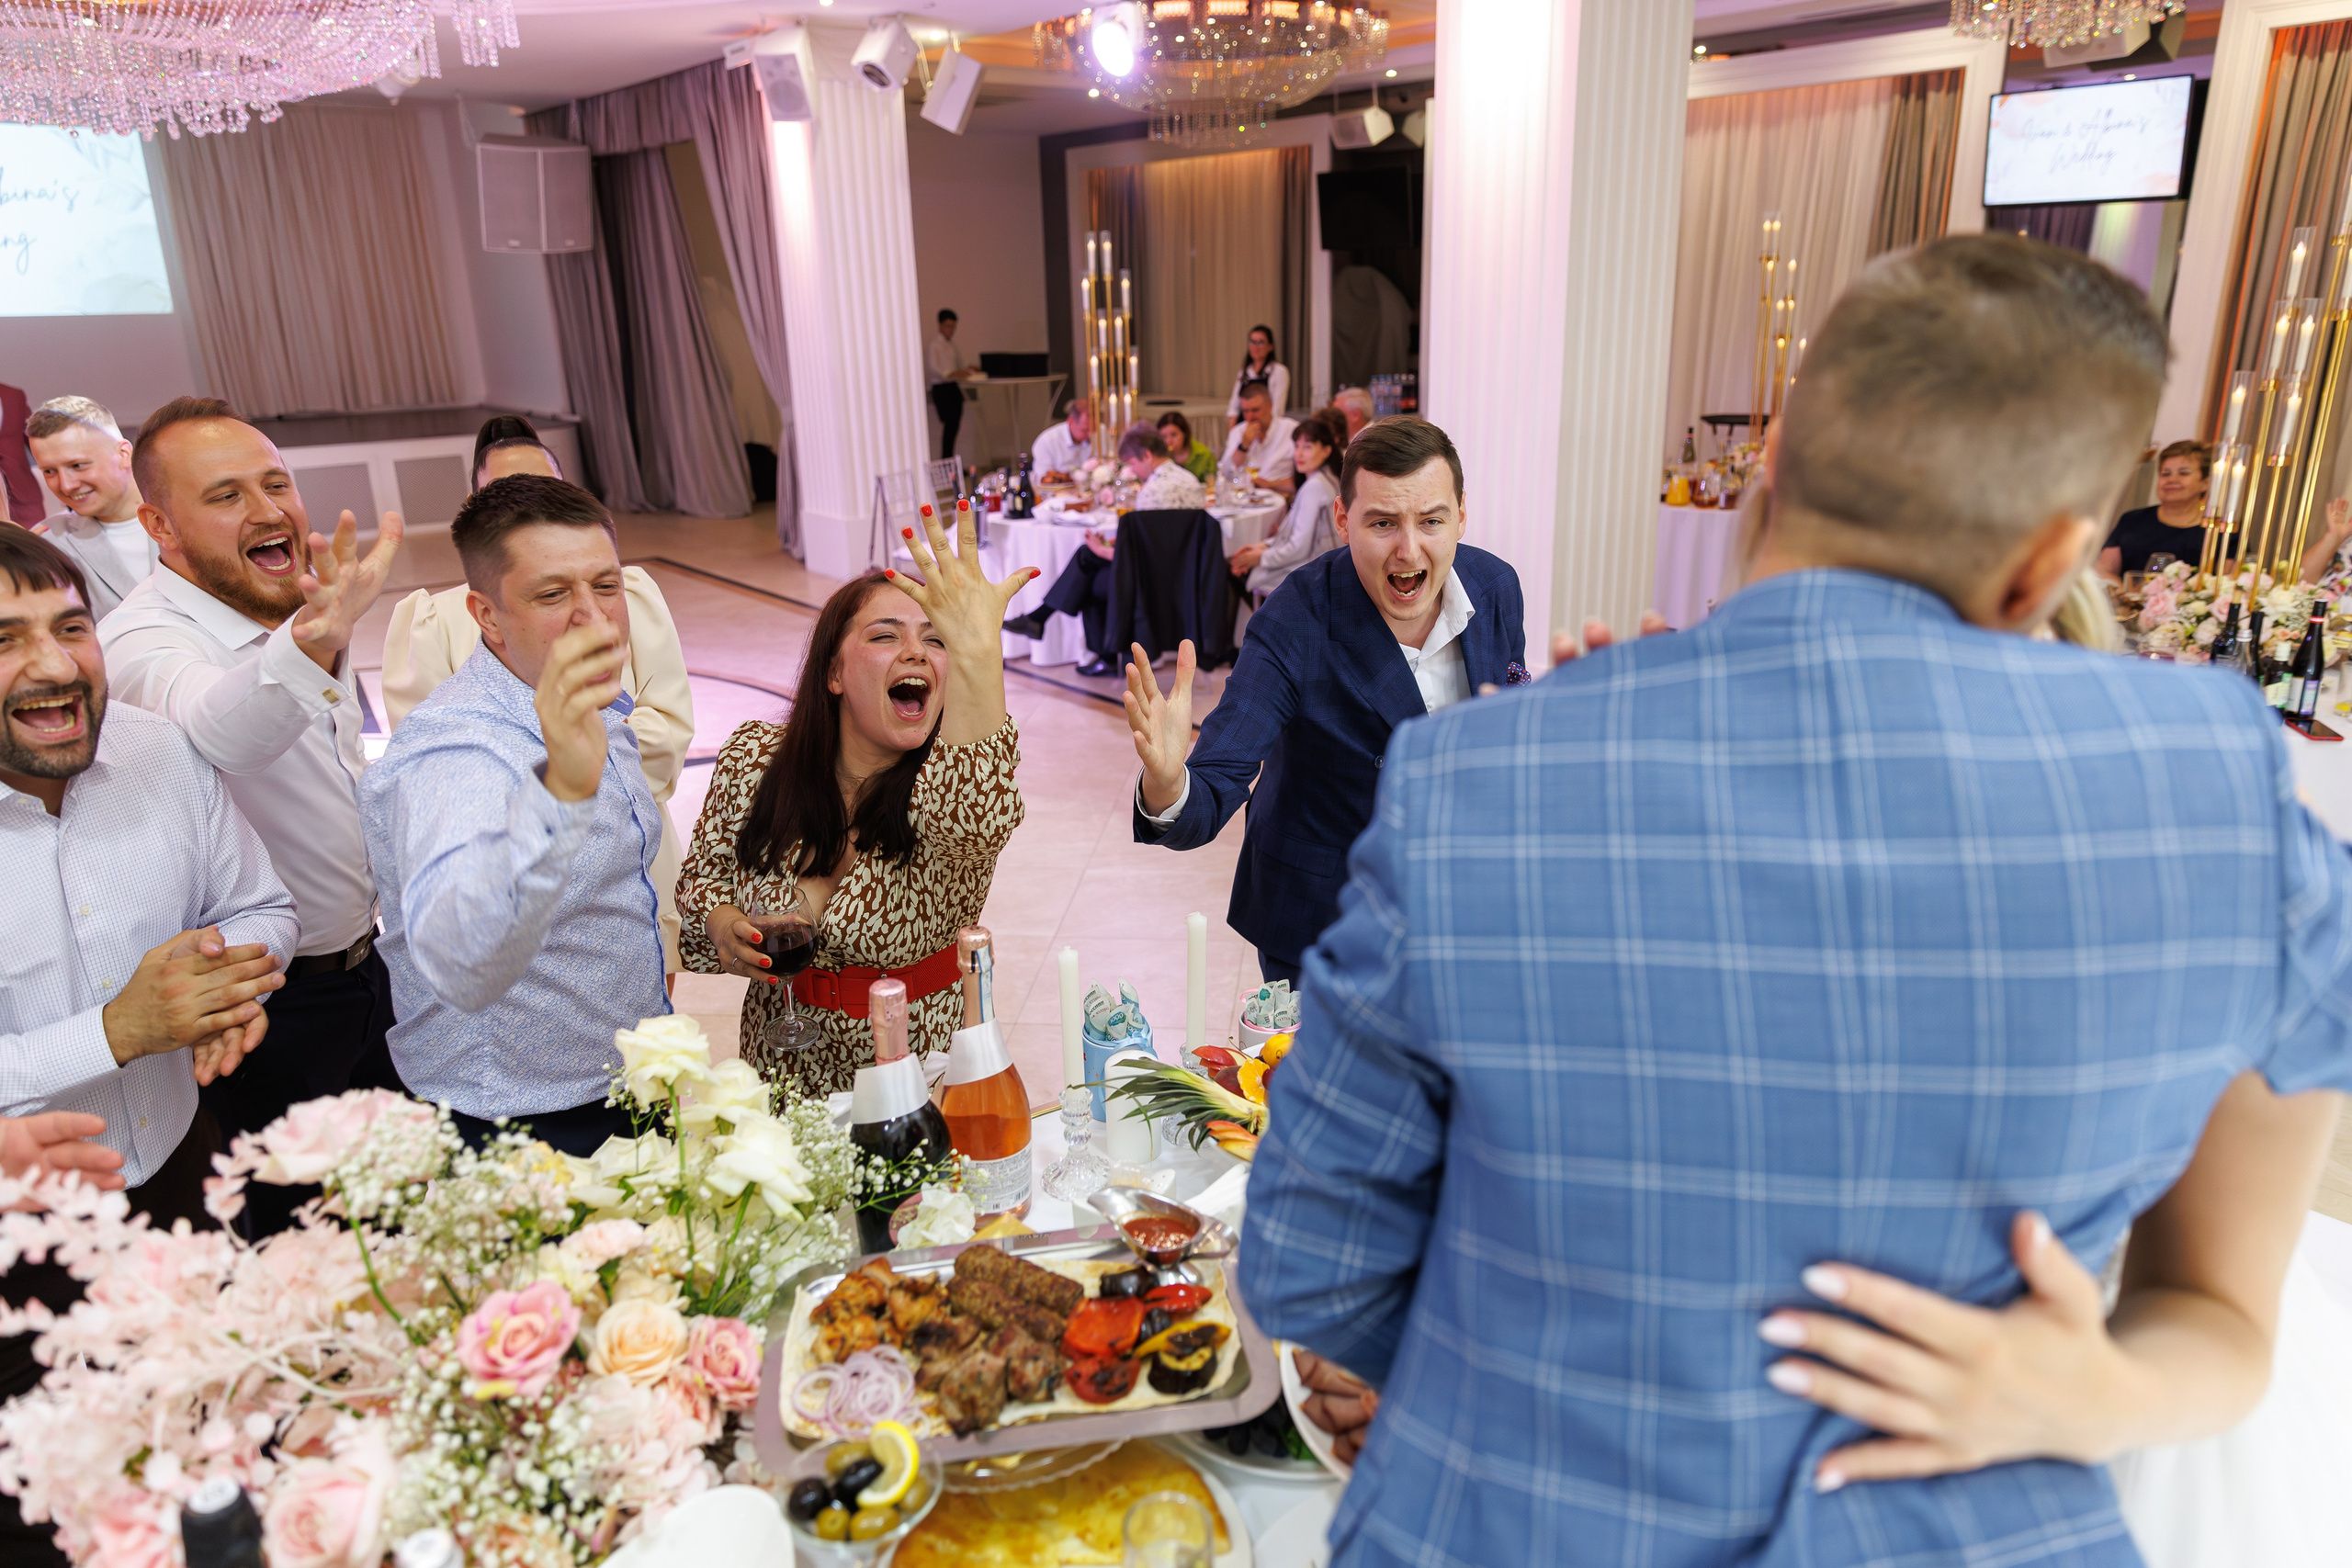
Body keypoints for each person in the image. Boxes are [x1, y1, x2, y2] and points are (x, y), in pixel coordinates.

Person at [1240, 234, 2352, 1568]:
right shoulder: (2221, 783)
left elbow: (1310, 1261)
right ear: (2050, 559)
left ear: (1769, 465)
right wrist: (2105, 1391)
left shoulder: (1481, 772)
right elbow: (2223, 1313)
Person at [0, 526, 296, 1563]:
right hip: (15, 1252)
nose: (52, 664)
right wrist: (119, 1032)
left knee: (226, 1452)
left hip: (180, 1176)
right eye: (5, 639)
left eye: (71, 627)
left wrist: (229, 984)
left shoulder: (158, 753)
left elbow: (261, 903)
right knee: (58, 1520)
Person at [98, 397, 404, 1236]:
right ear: (159, 524)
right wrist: (315, 639)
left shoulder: (282, 608)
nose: (269, 510)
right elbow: (215, 730)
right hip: (263, 1013)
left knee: (395, 1213)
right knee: (299, 1243)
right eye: (227, 495)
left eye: (277, 483)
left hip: (363, 975)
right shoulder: (138, 642)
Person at [1124, 416, 1526, 986]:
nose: (1408, 551)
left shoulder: (1495, 586)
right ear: (1342, 521)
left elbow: (1504, 727)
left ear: (1462, 513)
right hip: (1325, 923)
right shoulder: (1293, 620)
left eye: (1431, 521)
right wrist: (1167, 784)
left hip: (1462, 911)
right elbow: (1214, 785)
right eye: (1382, 522)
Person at [359, 476, 669, 1156]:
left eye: (606, 585)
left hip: (623, 1085)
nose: (596, 617)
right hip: (519, 1123)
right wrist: (558, 790)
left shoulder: (579, 699)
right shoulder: (454, 754)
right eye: (554, 594)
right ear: (488, 615)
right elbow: (464, 966)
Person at [676, 503, 1029, 1097]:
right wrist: (720, 921)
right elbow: (699, 887)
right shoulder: (755, 759)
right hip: (780, 1071)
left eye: (935, 639)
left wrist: (978, 652)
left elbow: (980, 813)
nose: (915, 652)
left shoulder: (945, 787)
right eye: (885, 635)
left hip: (915, 1078)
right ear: (834, 672)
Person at [379, 418, 695, 973]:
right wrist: (587, 744)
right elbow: (451, 782)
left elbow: (667, 738)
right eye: (502, 495)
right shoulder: (433, 621)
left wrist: (548, 754)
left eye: (548, 490)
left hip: (637, 859)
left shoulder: (630, 594)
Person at [1005, 424, 1208, 677]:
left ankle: (1099, 652)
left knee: (1087, 577)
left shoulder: (1152, 492)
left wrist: (1102, 551)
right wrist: (1103, 548)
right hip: (1184, 572)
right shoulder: (1189, 480)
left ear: (1146, 455)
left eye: (1133, 463)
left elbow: (1142, 559)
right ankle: (1040, 620)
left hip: (1152, 580)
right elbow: (1159, 545)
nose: (1133, 471)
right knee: (1086, 556)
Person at [24, 396, 157, 620]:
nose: (66, 485)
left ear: (123, 454)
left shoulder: (189, 516)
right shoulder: (46, 542)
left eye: (77, 465)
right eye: (49, 471)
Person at [1231, 409, 1343, 602]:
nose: (1299, 454)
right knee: (1240, 564)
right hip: (1321, 562)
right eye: (1297, 446)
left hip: (1311, 569)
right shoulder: (1327, 478)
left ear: (1326, 450)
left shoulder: (1315, 487)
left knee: (1231, 570)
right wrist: (1260, 547)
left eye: (1307, 447)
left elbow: (1299, 548)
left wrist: (1260, 557)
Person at [2098, 439, 2217, 577]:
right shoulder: (2132, 520)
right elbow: (2105, 571)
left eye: (2183, 473)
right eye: (2165, 474)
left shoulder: (2217, 528)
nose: (2171, 480)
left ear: (2205, 483)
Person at [1221, 379, 1298, 500]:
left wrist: (1269, 484)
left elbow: (1303, 478)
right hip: (1243, 499)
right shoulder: (1238, 432)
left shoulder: (1290, 429)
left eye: (1255, 410)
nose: (1250, 417)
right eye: (1245, 411)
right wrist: (1243, 446)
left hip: (1281, 498)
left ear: (1270, 406)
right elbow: (1226, 474)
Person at [926, 309, 978, 463]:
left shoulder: (952, 346)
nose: (951, 330)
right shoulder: (934, 345)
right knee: (950, 426)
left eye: (953, 326)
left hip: (953, 388)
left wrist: (968, 370)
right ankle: (946, 463)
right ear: (940, 325)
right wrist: (952, 374)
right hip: (942, 389)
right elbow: (935, 369)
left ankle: (950, 463)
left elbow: (958, 367)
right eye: (948, 326)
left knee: (954, 427)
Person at [1225, 323, 1290, 419]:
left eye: (1261, 342)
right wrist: (1233, 430)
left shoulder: (1279, 371)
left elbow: (1277, 410)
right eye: (1252, 342)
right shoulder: (1244, 372)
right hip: (1243, 425)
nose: (1256, 346)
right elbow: (1233, 407)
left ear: (1270, 346)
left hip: (1266, 425)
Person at [1031, 401, 1096, 484]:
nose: (1091, 435)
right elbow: (1043, 479)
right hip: (1058, 495)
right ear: (1071, 421)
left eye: (1094, 429)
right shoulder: (1048, 441)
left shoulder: (1101, 433)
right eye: (1085, 430)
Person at [1158, 410, 1216, 484]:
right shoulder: (1157, 456)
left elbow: (1211, 484)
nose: (1169, 441)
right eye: (1163, 437)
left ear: (1184, 433)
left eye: (1174, 435)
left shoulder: (1203, 455)